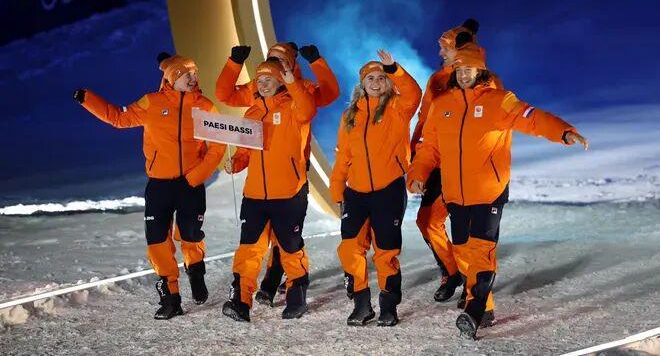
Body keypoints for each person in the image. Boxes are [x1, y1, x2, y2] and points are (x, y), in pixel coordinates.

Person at [407, 36, 588, 339]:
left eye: (469, 69)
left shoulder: (499, 100)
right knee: (463, 250)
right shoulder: (442, 105)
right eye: (459, 70)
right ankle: (485, 307)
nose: (463, 74)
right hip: (455, 194)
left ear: (480, 71)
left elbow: (532, 118)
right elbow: (430, 149)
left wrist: (564, 132)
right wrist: (418, 174)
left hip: (488, 191)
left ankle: (475, 310)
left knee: (481, 251)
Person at [73, 53, 226, 319]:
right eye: (186, 74)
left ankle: (196, 272)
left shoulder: (205, 107)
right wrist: (88, 99)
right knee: (157, 241)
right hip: (159, 185)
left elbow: (218, 146)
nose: (193, 78)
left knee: (190, 235)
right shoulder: (152, 102)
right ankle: (170, 298)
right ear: (172, 78)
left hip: (190, 185)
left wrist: (197, 175)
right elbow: (118, 118)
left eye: (194, 73)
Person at [215, 42, 340, 306]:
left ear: (291, 65)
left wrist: (315, 64)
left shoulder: (299, 93)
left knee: (286, 241)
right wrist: (234, 64)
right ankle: (243, 298)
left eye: (280, 61)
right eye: (270, 59)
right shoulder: (255, 102)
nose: (273, 66)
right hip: (257, 188)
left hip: (290, 179)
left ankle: (282, 286)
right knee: (254, 244)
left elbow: (325, 97)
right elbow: (225, 97)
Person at [412, 21, 503, 326]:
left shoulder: (488, 81)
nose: (440, 53)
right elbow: (426, 120)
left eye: (445, 47)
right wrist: (418, 158)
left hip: (467, 170)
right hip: (435, 163)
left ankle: (476, 296)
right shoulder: (437, 79)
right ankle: (452, 273)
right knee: (427, 222)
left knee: (474, 239)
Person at [330, 50, 422, 326]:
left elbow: (414, 93)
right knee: (350, 249)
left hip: (388, 190)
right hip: (356, 192)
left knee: (385, 251)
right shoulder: (350, 115)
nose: (376, 82)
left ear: (388, 82)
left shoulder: (398, 108)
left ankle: (388, 306)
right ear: (362, 83)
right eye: (370, 78)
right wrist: (337, 189)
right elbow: (343, 155)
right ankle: (361, 304)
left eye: (381, 78)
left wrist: (394, 68)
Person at [221, 59, 316, 322]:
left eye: (268, 79)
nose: (263, 85)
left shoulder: (294, 106)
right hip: (254, 196)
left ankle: (296, 298)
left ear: (280, 81)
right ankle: (241, 302)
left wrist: (292, 83)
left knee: (289, 248)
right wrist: (235, 163)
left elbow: (308, 110)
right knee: (249, 250)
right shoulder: (251, 113)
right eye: (259, 81)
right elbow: (245, 152)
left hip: (288, 194)